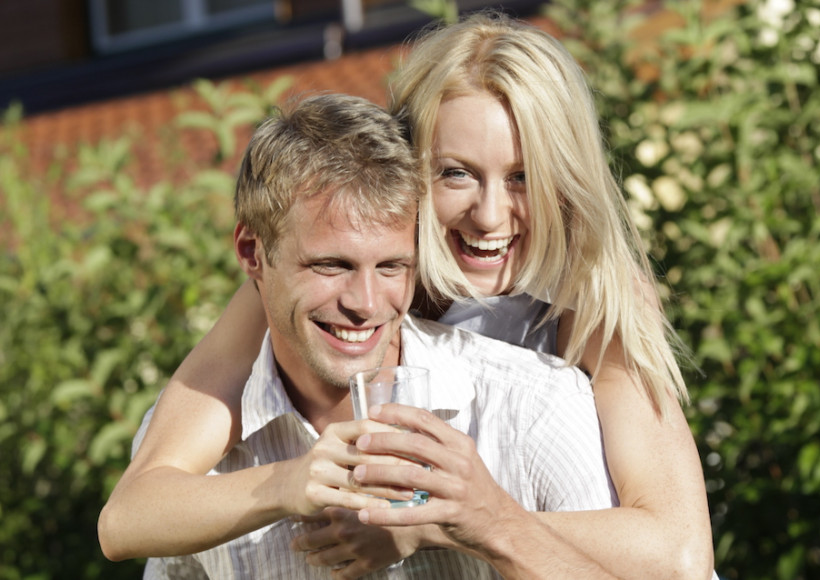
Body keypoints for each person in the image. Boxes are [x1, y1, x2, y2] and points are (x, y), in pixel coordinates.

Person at [104, 12, 716, 580]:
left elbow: (683, 556)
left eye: (525, 176)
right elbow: (135, 507)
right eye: (457, 173)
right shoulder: (328, 284)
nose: (490, 214)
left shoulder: (592, 304)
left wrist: (437, 523)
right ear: (407, 175)